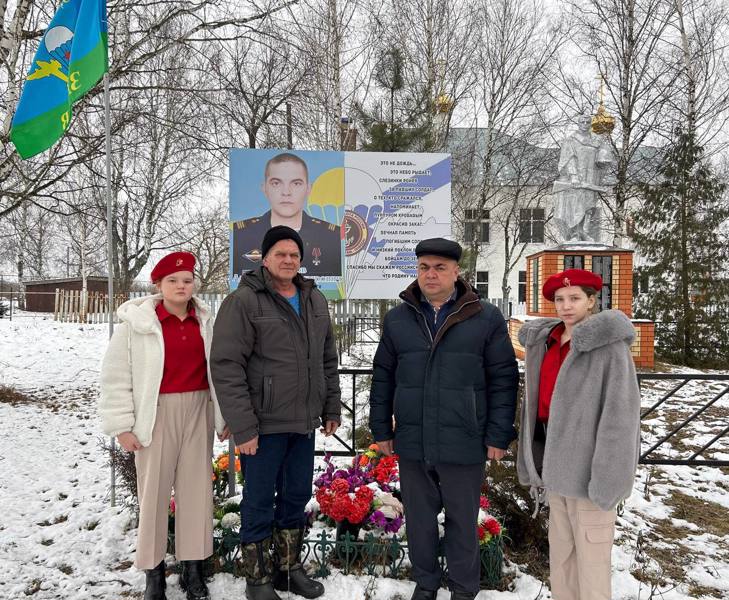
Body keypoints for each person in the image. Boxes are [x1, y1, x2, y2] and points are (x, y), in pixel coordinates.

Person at [368, 238, 519, 600]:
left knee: (461, 521)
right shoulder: (398, 318)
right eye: (424, 267)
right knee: (419, 521)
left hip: (464, 438)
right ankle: (426, 583)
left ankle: (464, 589)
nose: (430, 274)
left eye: (439, 267)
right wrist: (380, 429)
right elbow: (383, 376)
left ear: (456, 272)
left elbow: (503, 378)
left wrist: (498, 434)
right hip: (414, 438)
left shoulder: (485, 318)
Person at [210, 226, 341, 600]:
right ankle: (257, 577)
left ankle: (288, 569)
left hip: (303, 422)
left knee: (296, 497)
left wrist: (331, 405)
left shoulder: (314, 300)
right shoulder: (245, 301)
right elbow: (226, 366)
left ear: (301, 260)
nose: (288, 260)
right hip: (262, 427)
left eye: (294, 255)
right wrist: (243, 427)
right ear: (264, 258)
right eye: (280, 254)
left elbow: (326, 359)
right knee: (258, 500)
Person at [99, 252, 228, 600]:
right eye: (173, 281)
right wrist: (122, 425)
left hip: (198, 408)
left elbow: (218, 371)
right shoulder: (137, 326)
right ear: (158, 285)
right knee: (153, 493)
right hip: (156, 413)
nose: (181, 286)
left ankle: (193, 568)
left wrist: (222, 417)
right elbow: (116, 377)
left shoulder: (204, 321)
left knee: (196, 490)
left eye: (187, 280)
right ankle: (153, 571)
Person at [516, 268, 641, 600]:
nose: (566, 306)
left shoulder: (608, 348)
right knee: (563, 562)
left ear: (591, 301)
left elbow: (620, 416)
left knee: (592, 565)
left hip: (589, 475)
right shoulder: (549, 341)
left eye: (574, 299)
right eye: (559, 299)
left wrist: (609, 478)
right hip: (555, 471)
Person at [232, 153, 342, 277]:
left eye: (296, 183)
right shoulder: (240, 234)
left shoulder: (332, 236)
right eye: (276, 183)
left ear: (308, 189)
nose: (286, 192)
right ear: (264, 188)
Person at [552, 113, 614, 242]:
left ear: (591, 124)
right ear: (578, 123)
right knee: (576, 205)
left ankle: (584, 232)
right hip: (577, 178)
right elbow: (568, 159)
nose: (585, 124)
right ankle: (575, 233)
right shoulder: (571, 140)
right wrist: (574, 176)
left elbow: (605, 156)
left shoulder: (597, 140)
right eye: (582, 122)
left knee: (589, 206)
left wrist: (603, 156)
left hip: (592, 177)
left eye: (587, 122)